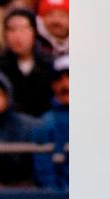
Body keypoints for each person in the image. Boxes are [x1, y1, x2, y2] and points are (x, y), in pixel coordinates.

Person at [0, 8, 55, 118]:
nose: (17, 36)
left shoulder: (49, 64)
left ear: (34, 32)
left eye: (23, 29)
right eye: (12, 30)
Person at [32, 56, 68, 191]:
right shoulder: (45, 124)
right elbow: (44, 171)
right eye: (59, 79)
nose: (66, 85)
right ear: (53, 85)